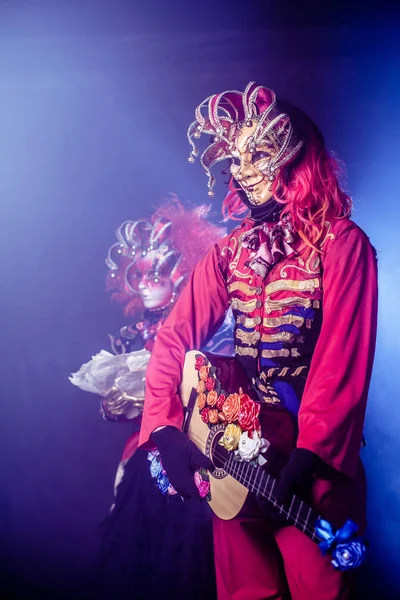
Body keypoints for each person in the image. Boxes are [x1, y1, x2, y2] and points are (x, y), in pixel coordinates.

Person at [139, 83, 378, 600]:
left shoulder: (341, 246)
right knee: (246, 593)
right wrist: (163, 428)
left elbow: (343, 359)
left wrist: (309, 457)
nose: (244, 170)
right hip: (234, 456)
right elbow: (175, 335)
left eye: (260, 153)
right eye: (236, 158)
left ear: (296, 157)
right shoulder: (230, 253)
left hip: (310, 466)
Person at [71, 196, 229, 599]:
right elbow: (126, 406)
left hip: (198, 453)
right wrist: (116, 404)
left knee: (192, 561)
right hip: (146, 455)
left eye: (154, 273)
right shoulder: (134, 334)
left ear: (179, 273)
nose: (144, 282)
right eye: (137, 274)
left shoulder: (205, 323)